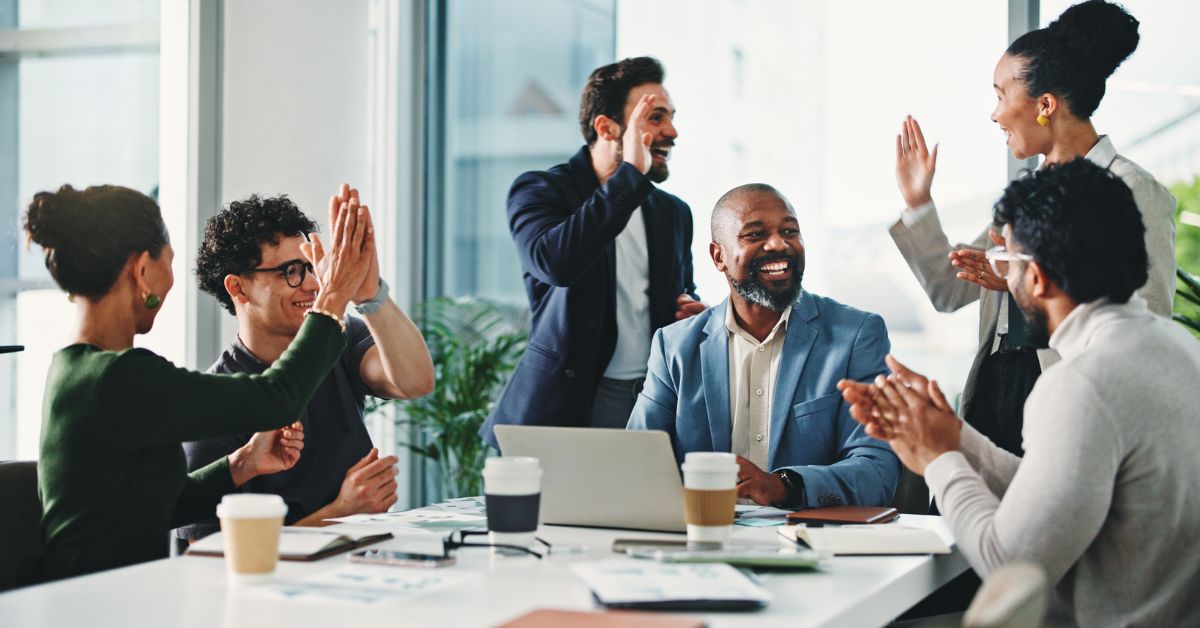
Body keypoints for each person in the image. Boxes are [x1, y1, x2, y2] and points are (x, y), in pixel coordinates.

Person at [840, 159, 1200, 626]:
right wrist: (956, 435)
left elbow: (1008, 565)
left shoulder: (1082, 383)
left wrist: (936, 458)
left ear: (1038, 277)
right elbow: (1051, 491)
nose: (1003, 279)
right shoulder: (1175, 346)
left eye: (1006, 260)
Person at [28, 183, 372, 580]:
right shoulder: (119, 378)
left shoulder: (75, 369)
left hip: (114, 593)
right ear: (142, 270)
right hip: (104, 604)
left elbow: (152, 507)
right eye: (168, 262)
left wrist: (244, 463)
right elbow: (278, 397)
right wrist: (332, 297)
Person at [889, 0, 1175, 455]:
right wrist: (918, 202)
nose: (995, 113)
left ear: (1044, 104)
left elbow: (1149, 322)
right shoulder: (1026, 195)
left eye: (1001, 95)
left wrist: (1022, 280)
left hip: (1071, 390)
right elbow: (948, 291)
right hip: (995, 390)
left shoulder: (1134, 189)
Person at [175, 187, 434, 544]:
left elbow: (414, 382)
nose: (312, 284)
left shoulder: (339, 339)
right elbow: (207, 556)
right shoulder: (212, 403)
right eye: (290, 271)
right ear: (238, 287)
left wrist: (369, 293)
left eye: (312, 267)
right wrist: (340, 513)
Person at [628, 184, 898, 508]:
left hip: (810, 540)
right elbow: (637, 464)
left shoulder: (855, 336)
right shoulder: (674, 346)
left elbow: (878, 471)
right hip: (705, 536)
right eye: (755, 235)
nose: (778, 244)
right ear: (719, 256)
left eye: (789, 231)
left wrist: (784, 486)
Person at [481, 56, 703, 446]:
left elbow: (679, 295)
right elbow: (556, 264)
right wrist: (630, 175)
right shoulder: (540, 190)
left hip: (649, 400)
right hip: (566, 407)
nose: (672, 131)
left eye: (671, 117)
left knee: (646, 510)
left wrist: (688, 309)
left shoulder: (673, 212)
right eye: (655, 118)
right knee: (564, 511)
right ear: (606, 127)